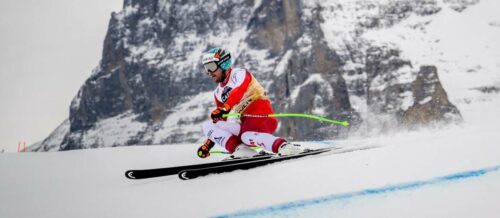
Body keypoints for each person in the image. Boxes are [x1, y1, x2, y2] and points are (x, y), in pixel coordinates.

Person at [197, 48, 303, 159]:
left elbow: (238, 91)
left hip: (262, 117)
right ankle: (241, 150)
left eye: (211, 67)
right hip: (245, 124)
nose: (209, 72)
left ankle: (283, 146)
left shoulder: (240, 74)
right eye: (206, 68)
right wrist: (208, 145)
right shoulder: (218, 92)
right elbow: (221, 119)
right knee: (209, 125)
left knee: (246, 136)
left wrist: (225, 108)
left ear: (223, 64)